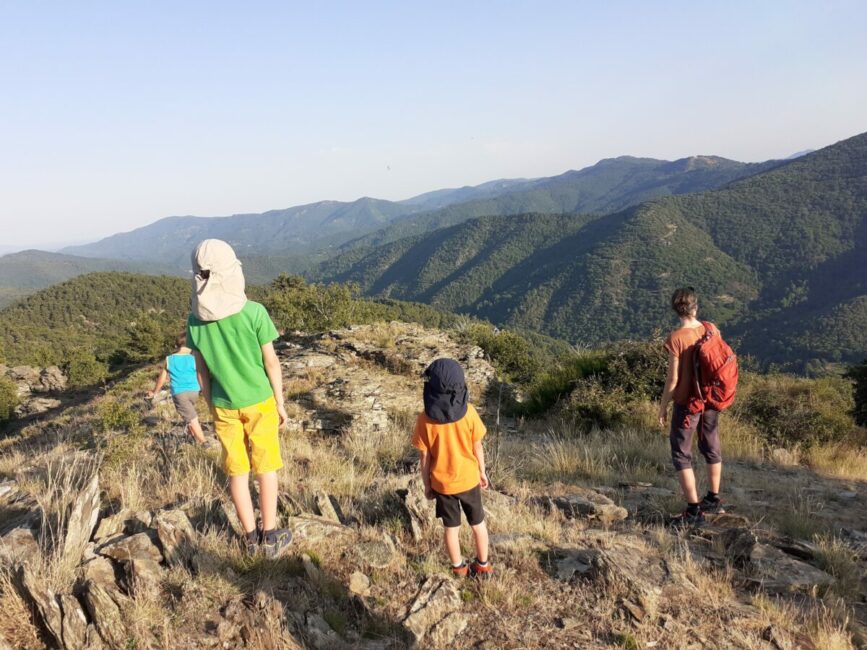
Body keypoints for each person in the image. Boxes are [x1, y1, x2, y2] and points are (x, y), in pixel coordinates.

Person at [185, 239, 292, 558]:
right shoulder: (254, 313)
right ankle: (270, 536)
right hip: (260, 401)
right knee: (266, 468)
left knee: (237, 471)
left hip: (223, 405)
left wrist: (209, 403)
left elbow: (201, 372)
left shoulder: (194, 322)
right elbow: (271, 362)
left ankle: (249, 538)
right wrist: (280, 402)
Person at [412, 358, 492, 578]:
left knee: (451, 529)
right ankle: (482, 565)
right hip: (468, 479)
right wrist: (482, 472)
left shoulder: (424, 420)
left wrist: (427, 485)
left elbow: (424, 457)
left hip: (443, 484)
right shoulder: (470, 413)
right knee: (478, 524)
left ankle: (458, 568)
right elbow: (478, 447)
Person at [658, 287, 724, 527]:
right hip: (711, 400)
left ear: (676, 309)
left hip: (688, 403)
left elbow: (673, 380)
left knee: (681, 453)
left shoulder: (676, 338)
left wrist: (663, 406)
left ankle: (694, 511)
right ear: (696, 306)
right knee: (711, 445)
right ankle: (713, 499)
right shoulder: (711, 328)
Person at [147, 333, 206, 444]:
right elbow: (201, 374)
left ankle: (204, 442)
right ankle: (191, 438)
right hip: (194, 391)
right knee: (189, 415)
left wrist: (155, 392)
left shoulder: (170, 359)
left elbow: (162, 379)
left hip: (180, 393)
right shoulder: (194, 358)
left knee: (192, 418)